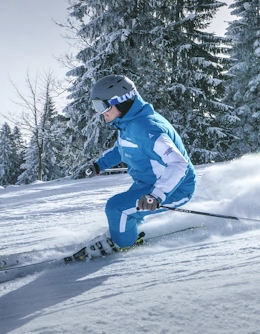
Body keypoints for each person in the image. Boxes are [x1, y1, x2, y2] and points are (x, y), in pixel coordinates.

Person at [81, 75, 196, 250]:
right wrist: (99, 165)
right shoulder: (127, 123)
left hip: (175, 188)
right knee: (122, 208)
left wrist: (157, 195)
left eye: (102, 106)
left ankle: (123, 244)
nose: (100, 113)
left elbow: (178, 164)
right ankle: (124, 231)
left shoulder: (146, 127)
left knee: (116, 208)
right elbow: (121, 149)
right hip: (148, 185)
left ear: (120, 101)